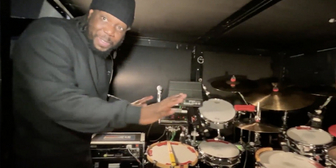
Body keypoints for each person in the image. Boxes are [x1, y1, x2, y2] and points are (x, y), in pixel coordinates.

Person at [11, 0, 187, 167]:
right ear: (91, 13)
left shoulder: (105, 58)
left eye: (120, 27)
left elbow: (89, 97)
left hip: (78, 156)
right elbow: (60, 102)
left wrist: (124, 106)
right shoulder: (48, 34)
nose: (111, 31)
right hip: (38, 159)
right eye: (105, 18)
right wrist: (134, 114)